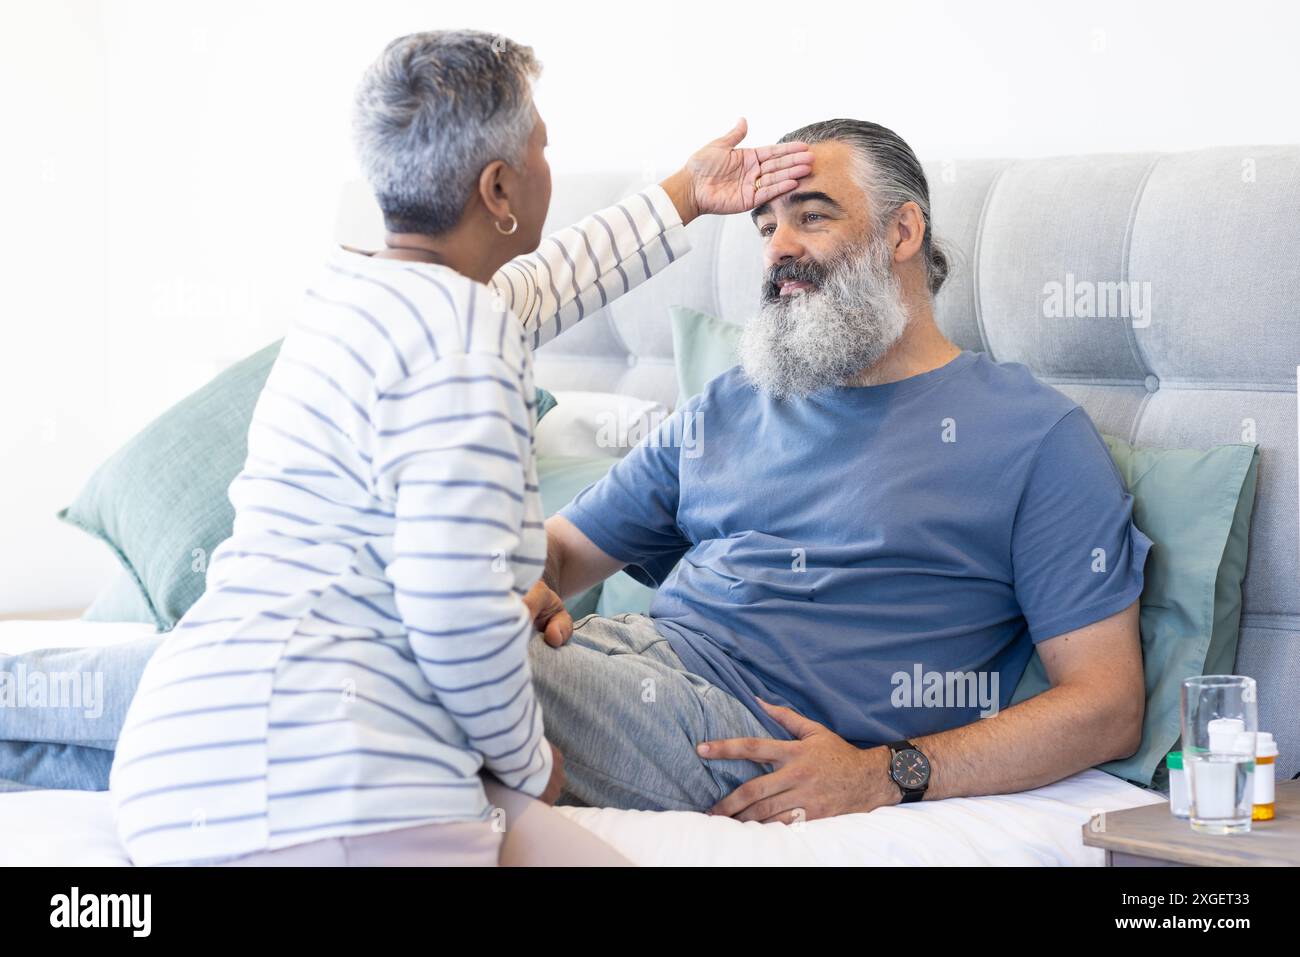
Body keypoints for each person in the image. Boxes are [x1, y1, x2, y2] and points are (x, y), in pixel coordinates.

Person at [97, 30, 812, 866]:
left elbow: (548, 280)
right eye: (542, 146)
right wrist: (528, 758)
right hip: (320, 775)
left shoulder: (350, 296)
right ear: (499, 186)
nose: (551, 164)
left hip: (172, 764)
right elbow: (455, 612)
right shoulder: (469, 339)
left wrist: (686, 193)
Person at [528, 119, 1152, 823]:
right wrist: (519, 589)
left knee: (430, 657)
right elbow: (556, 552)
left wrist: (887, 773)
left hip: (745, 734)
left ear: (902, 231)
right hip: (617, 663)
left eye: (813, 216)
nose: (780, 249)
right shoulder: (731, 403)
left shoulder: (1037, 436)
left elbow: (1107, 705)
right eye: (766, 228)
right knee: (432, 628)